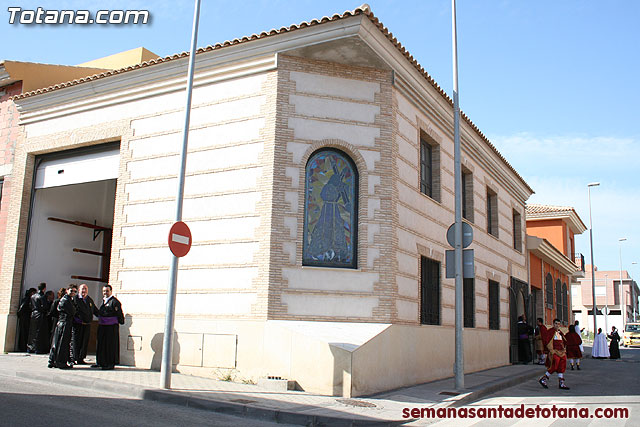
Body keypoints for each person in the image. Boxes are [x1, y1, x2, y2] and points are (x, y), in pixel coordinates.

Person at [92, 284, 124, 370]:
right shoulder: (103, 301)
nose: (105, 293)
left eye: (107, 291)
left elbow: (119, 315)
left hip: (111, 328)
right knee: (101, 344)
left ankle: (110, 363)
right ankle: (101, 362)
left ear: (111, 291)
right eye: (103, 291)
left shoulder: (115, 302)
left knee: (110, 345)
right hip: (102, 327)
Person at [48, 285, 77, 369]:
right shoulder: (66, 300)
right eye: (71, 290)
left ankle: (53, 360)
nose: (73, 293)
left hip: (62, 322)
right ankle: (60, 362)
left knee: (57, 342)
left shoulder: (66, 300)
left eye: (75, 291)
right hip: (65, 323)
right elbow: (72, 311)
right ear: (67, 290)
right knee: (62, 343)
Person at [538, 318, 570, 390]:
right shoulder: (550, 332)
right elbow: (547, 341)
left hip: (561, 352)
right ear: (553, 324)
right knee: (554, 366)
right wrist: (551, 350)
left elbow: (564, 341)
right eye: (556, 324)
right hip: (554, 351)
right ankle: (543, 379)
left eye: (558, 324)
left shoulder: (560, 332)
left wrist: (564, 350)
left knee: (561, 366)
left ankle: (561, 383)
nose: (557, 325)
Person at [72, 284, 95, 365]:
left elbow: (95, 310)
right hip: (78, 324)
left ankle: (81, 358)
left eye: (85, 289)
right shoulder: (75, 299)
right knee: (76, 341)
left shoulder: (89, 300)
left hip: (87, 324)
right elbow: (73, 311)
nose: (84, 291)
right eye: (82, 289)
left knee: (84, 342)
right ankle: (74, 358)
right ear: (79, 290)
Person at [27, 283, 50, 354]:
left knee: (32, 331)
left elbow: (30, 305)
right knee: (40, 332)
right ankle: (38, 348)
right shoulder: (42, 296)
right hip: (40, 315)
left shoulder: (33, 296)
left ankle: (30, 347)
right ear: (44, 288)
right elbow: (45, 306)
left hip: (33, 314)